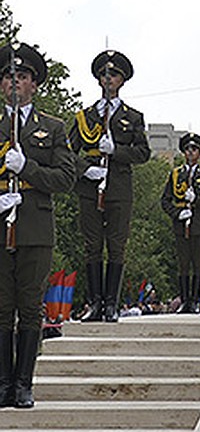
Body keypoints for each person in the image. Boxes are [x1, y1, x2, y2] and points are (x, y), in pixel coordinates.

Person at [0, 43, 75, 408]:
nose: (15, 83)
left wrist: (26, 167)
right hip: (1, 223)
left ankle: (24, 384)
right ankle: (2, 384)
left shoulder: (53, 128)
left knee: (29, 307)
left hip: (35, 228)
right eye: (9, 77)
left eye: (22, 77)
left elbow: (65, 177)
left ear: (34, 84)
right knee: (1, 307)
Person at [68, 49, 151, 322]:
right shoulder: (85, 117)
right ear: (98, 79)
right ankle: (94, 303)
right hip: (89, 187)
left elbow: (143, 153)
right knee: (92, 245)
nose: (109, 79)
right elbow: (67, 152)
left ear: (122, 80)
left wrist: (116, 150)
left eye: (114, 75)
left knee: (116, 245)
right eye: (104, 74)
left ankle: (112, 304)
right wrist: (85, 169)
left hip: (118, 187)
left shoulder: (133, 117)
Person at [161, 133, 200, 314]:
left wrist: (196, 202)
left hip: (198, 225)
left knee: (198, 264)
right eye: (187, 149)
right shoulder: (176, 174)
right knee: (183, 264)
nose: (190, 152)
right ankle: (185, 300)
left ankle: (195, 300)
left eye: (194, 149)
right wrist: (177, 213)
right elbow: (165, 200)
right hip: (181, 225)